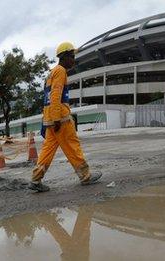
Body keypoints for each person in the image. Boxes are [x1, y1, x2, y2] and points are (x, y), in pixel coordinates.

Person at [28, 42, 101, 192]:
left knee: (47, 151)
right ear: (65, 57)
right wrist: (56, 119)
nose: (74, 60)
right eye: (72, 57)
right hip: (60, 119)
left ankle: (36, 180)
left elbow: (46, 99)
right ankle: (85, 175)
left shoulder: (51, 73)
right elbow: (55, 95)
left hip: (50, 119)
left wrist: (47, 121)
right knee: (73, 146)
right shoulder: (61, 71)